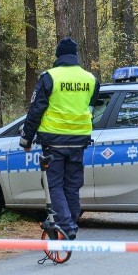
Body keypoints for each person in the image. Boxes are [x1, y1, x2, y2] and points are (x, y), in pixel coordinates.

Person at [19, 37, 100, 240]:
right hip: (79, 141)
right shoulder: (90, 79)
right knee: (72, 186)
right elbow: (90, 106)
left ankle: (65, 226)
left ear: (58, 55)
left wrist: (26, 139)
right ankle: (71, 222)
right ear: (75, 55)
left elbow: (36, 110)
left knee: (54, 185)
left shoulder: (49, 77)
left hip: (54, 141)